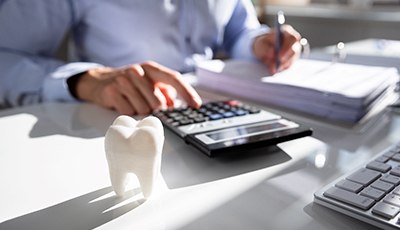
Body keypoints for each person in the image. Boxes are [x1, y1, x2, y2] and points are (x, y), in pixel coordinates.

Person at [0, 0, 302, 115]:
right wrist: (83, 81)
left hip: (217, 112)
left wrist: (259, 43)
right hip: (115, 120)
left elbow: (238, 32)